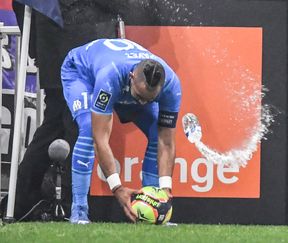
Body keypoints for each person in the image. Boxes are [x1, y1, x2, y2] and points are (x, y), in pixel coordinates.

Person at [0, 0, 118, 221]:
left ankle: (23, 200)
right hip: (83, 45)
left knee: (56, 123)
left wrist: (35, 45)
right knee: (74, 126)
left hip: (56, 46)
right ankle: (68, 204)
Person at [61, 38, 182, 224]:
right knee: (87, 128)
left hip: (121, 84)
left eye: (150, 100)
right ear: (132, 77)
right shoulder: (111, 75)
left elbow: (166, 141)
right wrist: (117, 188)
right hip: (82, 74)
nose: (143, 103)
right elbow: (99, 138)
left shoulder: (171, 86)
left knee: (157, 133)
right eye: (140, 97)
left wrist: (165, 190)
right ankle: (79, 210)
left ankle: (153, 204)